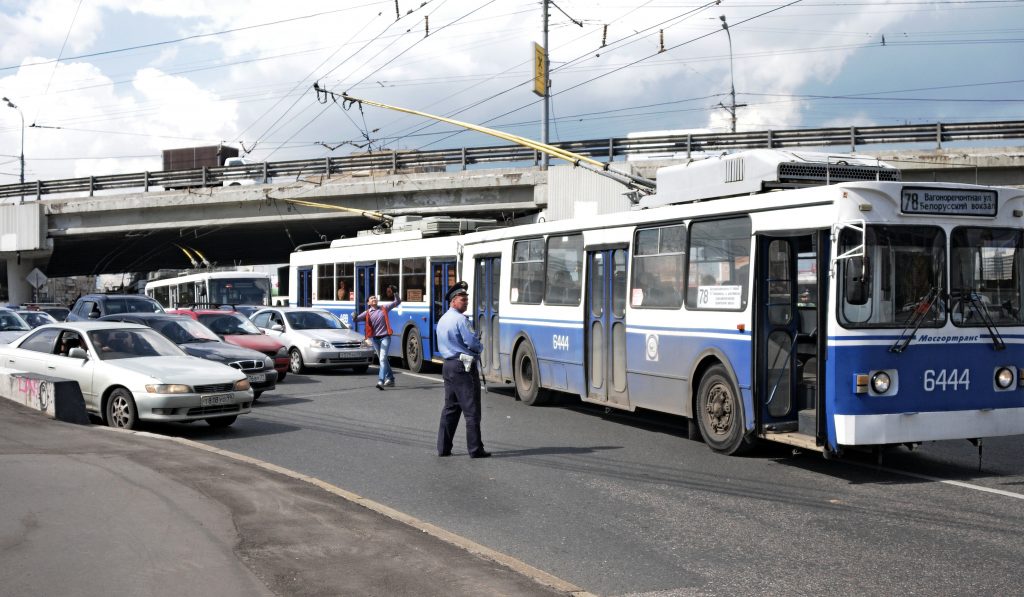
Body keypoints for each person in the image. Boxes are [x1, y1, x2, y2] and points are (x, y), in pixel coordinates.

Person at [435, 281, 489, 459]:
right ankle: (475, 449)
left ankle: (443, 448)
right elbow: (472, 343)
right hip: (463, 366)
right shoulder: (461, 320)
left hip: (448, 365)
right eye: (462, 299)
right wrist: (479, 348)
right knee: (471, 410)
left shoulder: (443, 319)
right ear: (452, 301)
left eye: (466, 299)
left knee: (451, 407)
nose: (465, 302)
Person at [354, 286, 402, 389]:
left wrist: (395, 293)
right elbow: (356, 319)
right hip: (376, 339)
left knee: (383, 358)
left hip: (385, 337)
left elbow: (397, 302)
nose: (374, 299)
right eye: (371, 298)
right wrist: (354, 316)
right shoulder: (367, 313)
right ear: (368, 303)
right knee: (382, 359)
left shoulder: (384, 308)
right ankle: (391, 379)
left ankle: (381, 380)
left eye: (375, 297)